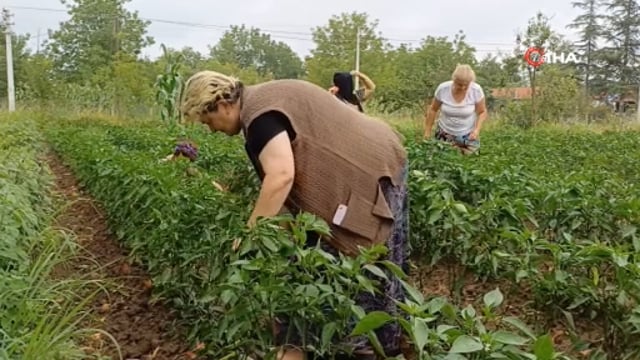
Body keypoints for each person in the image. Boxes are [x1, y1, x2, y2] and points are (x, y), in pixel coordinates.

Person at [180, 70, 410, 360]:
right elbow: (289, 193)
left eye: (207, 120)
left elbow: (281, 177)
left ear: (221, 104)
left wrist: (251, 237)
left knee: (362, 272)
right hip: (377, 155)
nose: (211, 129)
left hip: (374, 169)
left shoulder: (260, 117)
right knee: (338, 270)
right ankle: (370, 345)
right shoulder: (262, 103)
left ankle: (366, 349)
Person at [423, 64, 488, 155]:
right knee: (442, 161)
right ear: (453, 80)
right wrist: (427, 131)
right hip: (444, 132)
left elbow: (482, 112)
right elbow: (433, 109)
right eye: (459, 84)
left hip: (468, 135)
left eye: (466, 85)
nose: (463, 87)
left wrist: (477, 130)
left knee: (470, 163)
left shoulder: (476, 90)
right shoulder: (443, 89)